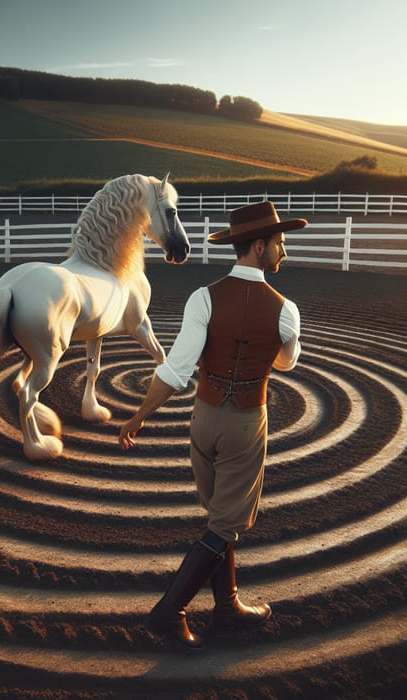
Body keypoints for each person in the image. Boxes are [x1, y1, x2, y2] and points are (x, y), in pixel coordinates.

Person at [119, 201, 306, 650]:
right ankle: (169, 612)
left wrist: (138, 416)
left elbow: (175, 369)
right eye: (279, 242)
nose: (283, 250)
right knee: (225, 524)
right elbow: (286, 363)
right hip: (245, 423)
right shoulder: (286, 311)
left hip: (202, 420)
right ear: (258, 246)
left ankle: (228, 605)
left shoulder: (202, 298)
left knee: (219, 515)